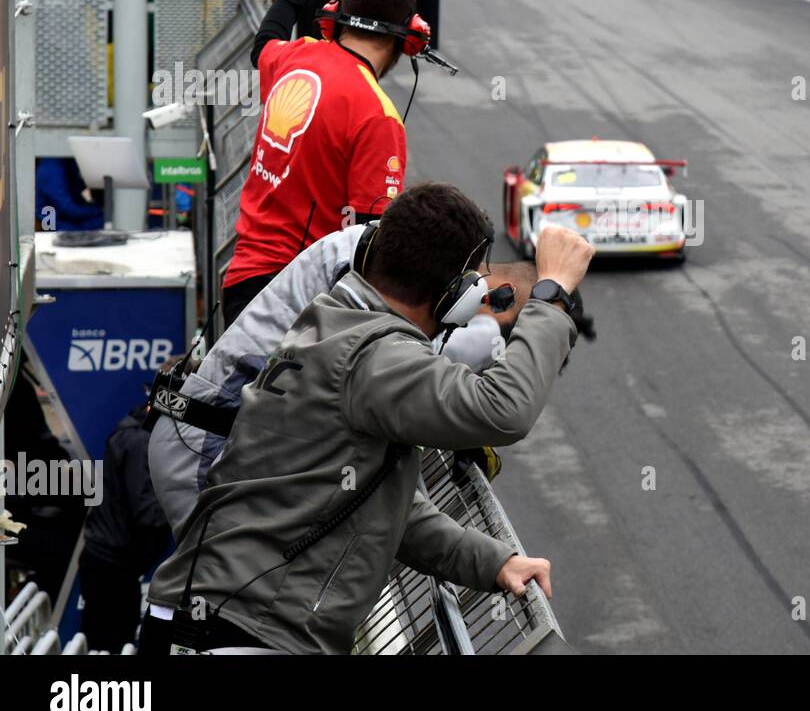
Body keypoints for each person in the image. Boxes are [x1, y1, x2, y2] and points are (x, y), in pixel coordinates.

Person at [141, 184, 594, 654]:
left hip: (217, 622)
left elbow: (379, 504)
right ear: (452, 295)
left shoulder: (332, 322)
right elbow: (503, 410)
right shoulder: (372, 355)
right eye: (475, 284)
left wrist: (494, 563)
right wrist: (552, 295)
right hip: (236, 633)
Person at [147, 222, 573, 536]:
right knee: (217, 604)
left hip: (218, 441)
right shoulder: (381, 291)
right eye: (506, 329)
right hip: (205, 450)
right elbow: (489, 406)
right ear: (487, 296)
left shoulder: (392, 263)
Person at [221, 0, 416, 327]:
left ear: (334, 14)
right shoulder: (378, 116)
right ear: (412, 36)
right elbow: (368, 243)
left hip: (241, 284)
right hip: (301, 305)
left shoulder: (294, 56)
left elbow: (264, 41)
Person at [78, 404, 172, 652]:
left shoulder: (137, 431)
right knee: (111, 644)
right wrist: (187, 500)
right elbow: (147, 512)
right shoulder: (139, 440)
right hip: (111, 568)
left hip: (112, 562)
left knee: (105, 642)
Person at [35, 158, 104, 231]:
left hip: (68, 216)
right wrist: (100, 210)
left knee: (104, 220)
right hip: (53, 224)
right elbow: (68, 208)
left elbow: (80, 187)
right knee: (104, 221)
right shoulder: (52, 167)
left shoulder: (68, 160)